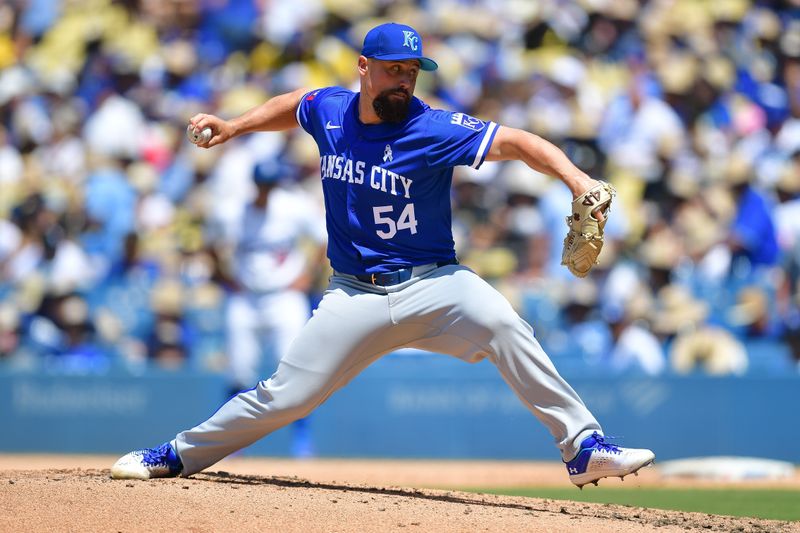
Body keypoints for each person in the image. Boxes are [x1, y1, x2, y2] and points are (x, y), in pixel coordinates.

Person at [111, 22, 654, 488]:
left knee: (505, 324)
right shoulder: (330, 110)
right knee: (285, 397)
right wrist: (235, 125)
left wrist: (577, 179)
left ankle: (582, 447)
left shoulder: (433, 127)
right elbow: (294, 105)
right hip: (353, 294)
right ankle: (177, 454)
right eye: (395, 69)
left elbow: (517, 142)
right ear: (364, 68)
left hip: (435, 284)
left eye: (413, 70)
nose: (405, 80)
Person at [214, 159, 326, 457]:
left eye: (271, 185)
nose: (266, 190)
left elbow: (323, 239)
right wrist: (223, 275)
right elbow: (210, 241)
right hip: (246, 296)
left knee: (293, 369)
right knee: (239, 369)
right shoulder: (232, 211)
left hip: (284, 296)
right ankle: (229, 442)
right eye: (263, 185)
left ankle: (302, 441)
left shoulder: (292, 207)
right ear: (255, 185)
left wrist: (307, 276)